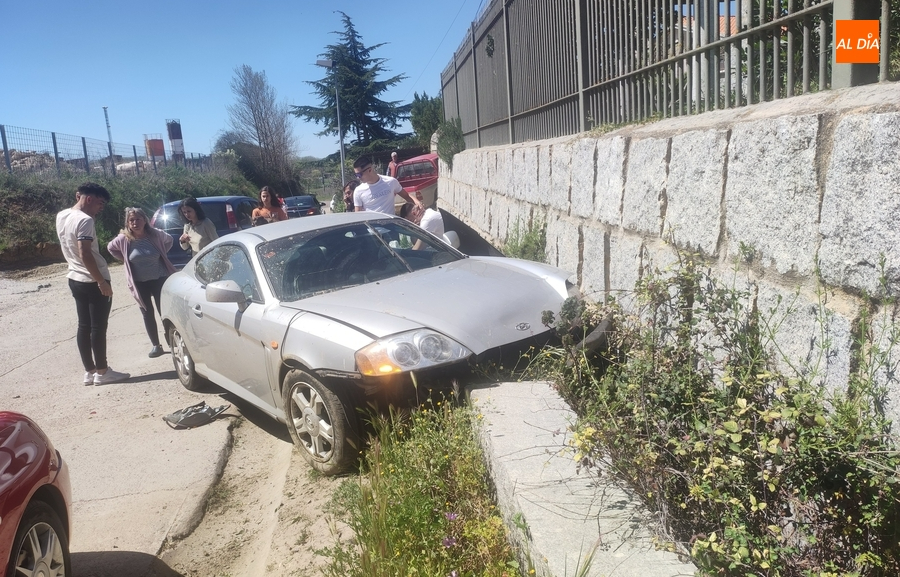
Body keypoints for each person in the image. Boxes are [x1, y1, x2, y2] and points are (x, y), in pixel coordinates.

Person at [56, 182, 130, 385]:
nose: (101, 208)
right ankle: (103, 372)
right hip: (92, 279)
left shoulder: (62, 215)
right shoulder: (85, 220)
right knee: (98, 327)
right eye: (101, 203)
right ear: (89, 199)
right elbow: (85, 252)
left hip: (74, 277)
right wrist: (101, 281)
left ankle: (90, 371)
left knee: (84, 325)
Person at [107, 207, 178, 358]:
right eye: (131, 220)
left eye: (138, 219)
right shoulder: (123, 239)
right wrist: (124, 259)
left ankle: (172, 341)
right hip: (139, 283)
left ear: (145, 220)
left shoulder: (156, 234)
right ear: (127, 223)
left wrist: (162, 253)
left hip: (160, 279)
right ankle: (156, 345)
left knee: (164, 312)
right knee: (147, 313)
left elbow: (170, 240)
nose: (135, 223)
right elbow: (110, 248)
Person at [352, 155, 423, 215]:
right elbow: (358, 215)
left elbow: (406, 196)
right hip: (371, 230)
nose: (358, 177)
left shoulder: (391, 182)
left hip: (391, 228)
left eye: (359, 174)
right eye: (356, 175)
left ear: (369, 170)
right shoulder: (358, 191)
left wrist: (417, 203)